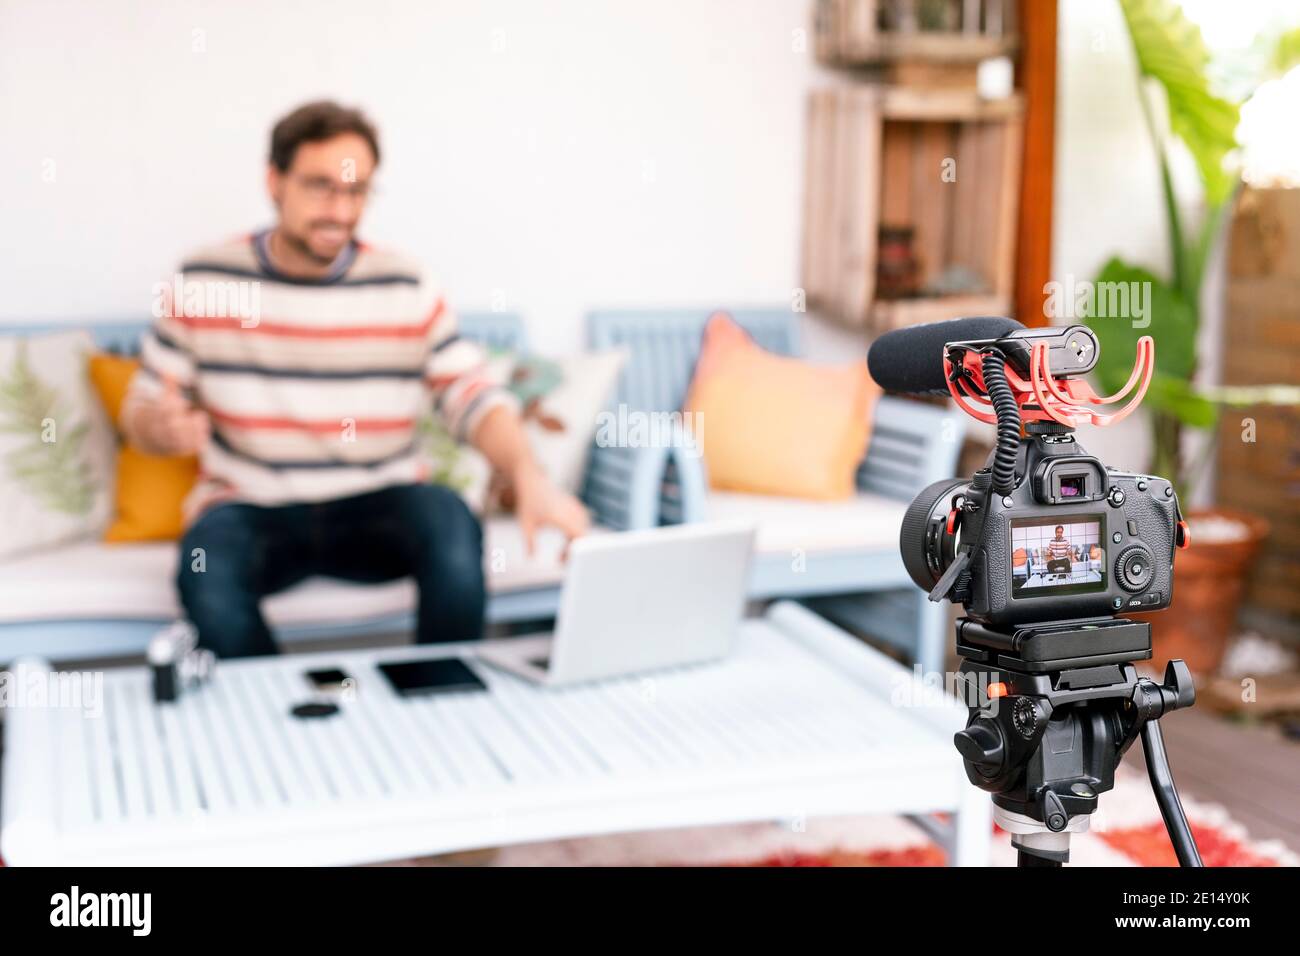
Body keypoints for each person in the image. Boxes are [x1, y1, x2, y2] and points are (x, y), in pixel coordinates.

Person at [122, 100, 589, 658]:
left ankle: (441, 703)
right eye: (321, 186)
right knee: (206, 575)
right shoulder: (205, 279)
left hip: (379, 502)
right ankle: (285, 726)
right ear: (274, 181)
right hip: (251, 507)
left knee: (452, 526)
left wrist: (525, 473)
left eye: (357, 190)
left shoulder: (404, 283)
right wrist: (159, 426)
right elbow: (144, 407)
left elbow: (472, 394)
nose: (341, 211)